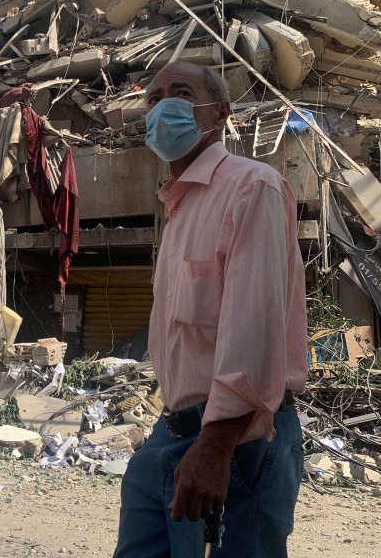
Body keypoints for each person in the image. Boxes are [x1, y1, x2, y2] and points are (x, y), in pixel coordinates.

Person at [114, 62, 307, 558]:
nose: (163, 107)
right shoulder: (179, 208)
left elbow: (252, 332)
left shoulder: (251, 187)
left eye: (181, 93)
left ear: (220, 113)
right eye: (154, 99)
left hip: (236, 442)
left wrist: (215, 447)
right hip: (172, 430)